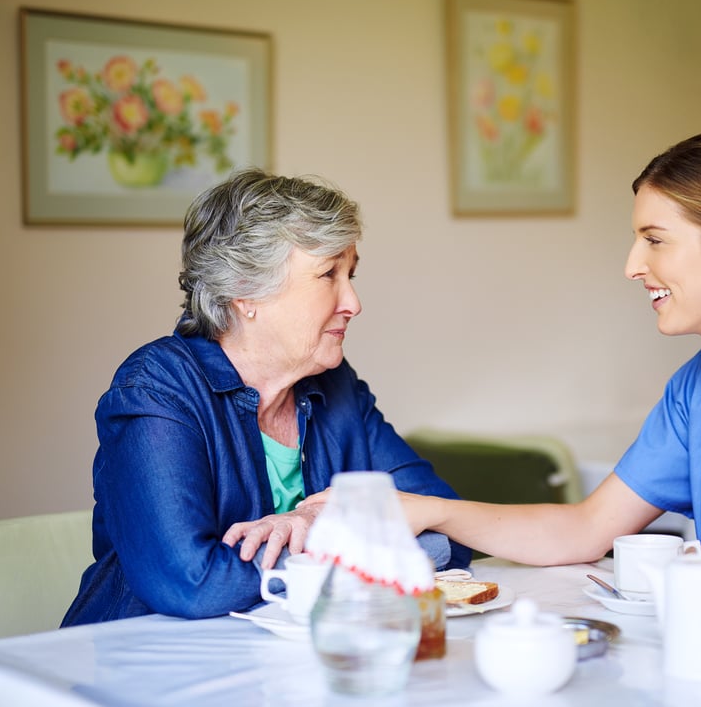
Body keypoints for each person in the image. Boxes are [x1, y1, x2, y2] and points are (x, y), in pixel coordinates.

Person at [307, 127, 701, 624]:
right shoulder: (697, 389)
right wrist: (427, 509)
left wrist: (689, 564)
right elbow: (585, 528)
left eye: (654, 238)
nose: (631, 264)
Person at [62, 169, 470, 626]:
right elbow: (193, 586)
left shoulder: (336, 389)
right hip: (144, 671)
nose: (353, 302)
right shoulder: (157, 389)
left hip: (284, 662)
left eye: (350, 275)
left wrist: (317, 528)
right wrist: (355, 543)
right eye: (328, 274)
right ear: (245, 292)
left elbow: (445, 536)